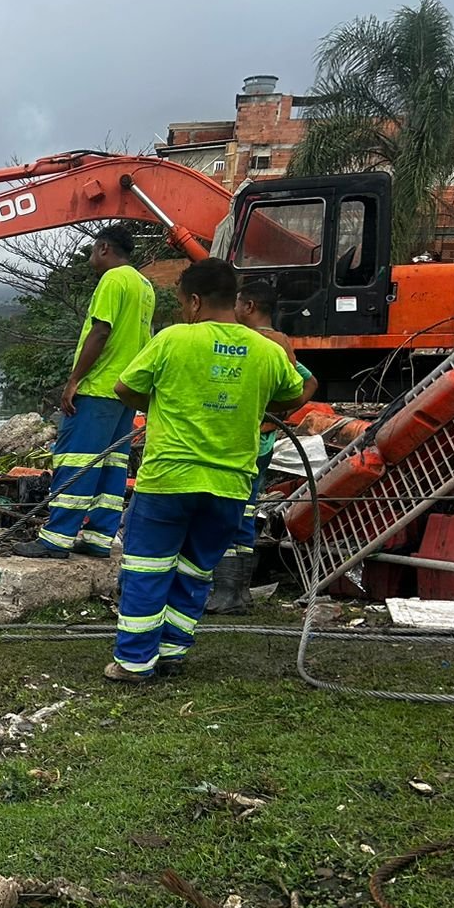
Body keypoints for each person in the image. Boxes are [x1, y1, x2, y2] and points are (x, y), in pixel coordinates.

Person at [105, 258, 308, 682]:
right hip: (230, 487)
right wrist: (252, 407)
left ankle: (135, 662)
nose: (183, 311)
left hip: (168, 481)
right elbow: (295, 393)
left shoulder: (173, 339)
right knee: (195, 572)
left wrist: (157, 404)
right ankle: (172, 652)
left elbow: (125, 388)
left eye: (183, 303)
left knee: (147, 568)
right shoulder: (267, 350)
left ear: (195, 301)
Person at [14, 224, 154, 560]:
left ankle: (57, 538)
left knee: (76, 462)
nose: (91, 257)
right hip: (126, 393)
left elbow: (101, 331)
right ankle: (99, 537)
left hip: (98, 388)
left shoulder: (113, 279)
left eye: (93, 250)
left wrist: (74, 379)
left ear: (104, 248)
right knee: (112, 466)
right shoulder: (144, 285)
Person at [204, 278, 318, 613]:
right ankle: (239, 592)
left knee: (226, 511)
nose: (233, 308)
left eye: (237, 302)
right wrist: (279, 412)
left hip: (242, 441)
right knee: (245, 511)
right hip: (264, 441)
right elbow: (309, 382)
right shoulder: (281, 343)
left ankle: (226, 591)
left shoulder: (250, 342)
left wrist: (257, 413)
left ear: (249, 306)